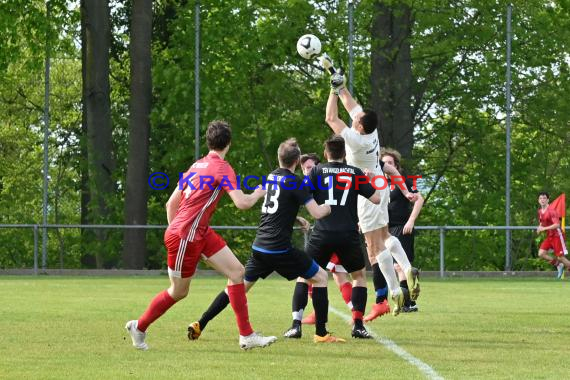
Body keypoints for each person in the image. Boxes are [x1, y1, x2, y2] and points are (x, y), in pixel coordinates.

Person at [125, 120, 277, 351]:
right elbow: (242, 203)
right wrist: (258, 193)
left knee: (237, 273)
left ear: (208, 141)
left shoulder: (196, 166)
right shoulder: (222, 167)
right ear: (229, 143)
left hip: (198, 232)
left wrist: (181, 229)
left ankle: (247, 336)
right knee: (179, 291)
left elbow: (170, 204)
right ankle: (140, 327)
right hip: (186, 235)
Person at [188, 138, 346, 343]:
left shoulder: (271, 178)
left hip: (260, 248)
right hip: (280, 250)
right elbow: (317, 213)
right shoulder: (295, 182)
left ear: (279, 159)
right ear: (298, 161)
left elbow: (275, 208)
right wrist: (328, 207)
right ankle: (321, 333)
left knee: (235, 288)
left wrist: (295, 218)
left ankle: (200, 323)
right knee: (321, 277)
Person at [322, 59, 420, 316]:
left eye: (357, 120)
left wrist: (332, 91)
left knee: (374, 248)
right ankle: (407, 269)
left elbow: (330, 117)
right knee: (385, 236)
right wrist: (338, 81)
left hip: (368, 191)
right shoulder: (370, 131)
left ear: (360, 126)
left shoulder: (354, 139)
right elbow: (350, 105)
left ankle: (395, 291)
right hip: (380, 184)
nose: (354, 118)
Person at [284, 135, 380, 339]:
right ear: (345, 154)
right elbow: (376, 198)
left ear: (326, 154)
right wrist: (370, 181)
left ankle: (295, 325)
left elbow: (299, 195)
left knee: (305, 276)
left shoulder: (316, 171)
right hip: (348, 234)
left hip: (322, 233)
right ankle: (358, 325)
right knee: (359, 277)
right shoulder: (354, 173)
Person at [380, 148, 424, 314]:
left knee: (399, 266)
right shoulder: (379, 183)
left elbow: (419, 198)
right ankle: (405, 300)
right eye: (385, 163)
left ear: (396, 166)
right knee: (390, 266)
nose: (388, 166)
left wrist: (411, 220)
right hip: (384, 228)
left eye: (391, 163)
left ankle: (409, 302)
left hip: (400, 227)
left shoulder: (404, 181)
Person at [536, 192, 569, 279]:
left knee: (561, 257)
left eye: (544, 198)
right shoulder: (540, 211)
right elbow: (541, 221)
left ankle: (562, 264)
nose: (542, 200)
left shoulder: (552, 211)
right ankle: (559, 265)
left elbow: (557, 224)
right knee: (541, 253)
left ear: (548, 200)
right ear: (538, 200)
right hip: (549, 236)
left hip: (557, 236)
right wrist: (539, 228)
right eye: (541, 198)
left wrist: (544, 229)